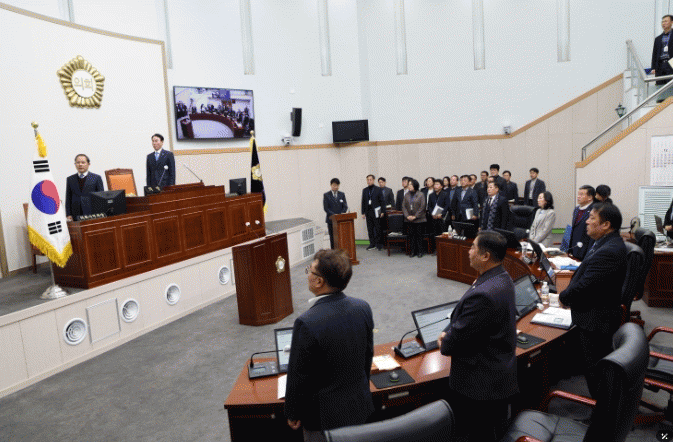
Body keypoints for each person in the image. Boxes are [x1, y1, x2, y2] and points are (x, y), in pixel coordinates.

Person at [285, 249, 374, 441]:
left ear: (319, 282)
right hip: (359, 407)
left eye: (309, 270)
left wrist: (293, 412)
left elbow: (299, 376)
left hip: (323, 421)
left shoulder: (306, 322)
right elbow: (367, 357)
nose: (307, 274)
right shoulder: (363, 307)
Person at [438, 231, 518, 442]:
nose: (469, 251)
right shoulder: (502, 277)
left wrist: (445, 340)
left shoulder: (484, 294)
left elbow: (456, 341)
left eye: (473, 247)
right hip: (498, 373)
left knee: (478, 434)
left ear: (485, 256)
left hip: (480, 385)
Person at [559, 203, 627, 398]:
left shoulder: (609, 250)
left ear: (605, 225)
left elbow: (585, 286)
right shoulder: (604, 242)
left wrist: (563, 297)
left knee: (596, 371)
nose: (587, 222)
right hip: (594, 314)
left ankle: (603, 411)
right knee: (591, 365)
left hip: (595, 320)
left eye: (592, 218)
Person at [65, 154, 105, 222]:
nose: (80, 165)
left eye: (83, 162)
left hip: (92, 214)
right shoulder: (70, 179)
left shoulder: (96, 178)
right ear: (75, 164)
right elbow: (68, 198)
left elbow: (101, 198)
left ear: (88, 164)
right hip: (75, 214)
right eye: (78, 162)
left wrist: (100, 214)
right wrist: (68, 214)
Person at [569, 185, 595, 260]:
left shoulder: (594, 210)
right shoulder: (577, 209)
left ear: (590, 197)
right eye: (578, 194)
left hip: (586, 249)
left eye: (581, 194)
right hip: (574, 247)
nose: (578, 197)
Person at [403, 179, 426, 258]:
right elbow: (403, 206)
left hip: (419, 219)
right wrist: (407, 216)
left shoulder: (421, 194)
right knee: (411, 236)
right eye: (408, 184)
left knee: (419, 236)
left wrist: (415, 216)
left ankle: (420, 251)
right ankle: (413, 251)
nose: (409, 186)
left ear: (415, 185)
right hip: (409, 219)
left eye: (410, 184)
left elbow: (422, 207)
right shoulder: (406, 195)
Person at [361, 174, 385, 251]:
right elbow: (363, 202)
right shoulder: (365, 190)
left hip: (376, 212)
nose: (369, 181)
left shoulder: (378, 189)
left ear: (373, 180)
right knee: (370, 229)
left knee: (378, 228)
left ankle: (379, 244)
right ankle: (372, 244)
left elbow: (382, 201)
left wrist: (383, 211)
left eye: (370, 179)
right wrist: (363, 212)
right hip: (368, 212)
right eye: (367, 180)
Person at [323, 178, 348, 249]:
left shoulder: (342, 194)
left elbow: (345, 206)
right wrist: (334, 215)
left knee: (340, 237)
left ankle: (340, 252)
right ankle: (333, 252)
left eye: (337, 185)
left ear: (339, 186)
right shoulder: (326, 195)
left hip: (340, 220)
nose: (335, 187)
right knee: (332, 238)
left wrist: (340, 214)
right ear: (331, 185)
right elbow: (326, 208)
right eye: (334, 185)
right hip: (331, 220)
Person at [428, 179, 449, 252]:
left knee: (442, 233)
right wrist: (432, 214)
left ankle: (442, 250)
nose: (435, 186)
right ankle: (435, 249)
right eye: (435, 184)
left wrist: (442, 214)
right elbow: (429, 206)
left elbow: (447, 206)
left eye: (437, 184)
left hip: (442, 218)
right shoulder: (431, 195)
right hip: (433, 217)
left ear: (441, 186)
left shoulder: (445, 194)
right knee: (434, 233)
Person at [652, 15, 673, 89]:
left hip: (671, 63)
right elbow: (654, 53)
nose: (663, 23)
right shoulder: (658, 39)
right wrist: (653, 67)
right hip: (660, 65)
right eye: (662, 22)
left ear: (671, 22)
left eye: (666, 21)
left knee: (671, 87)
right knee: (660, 88)